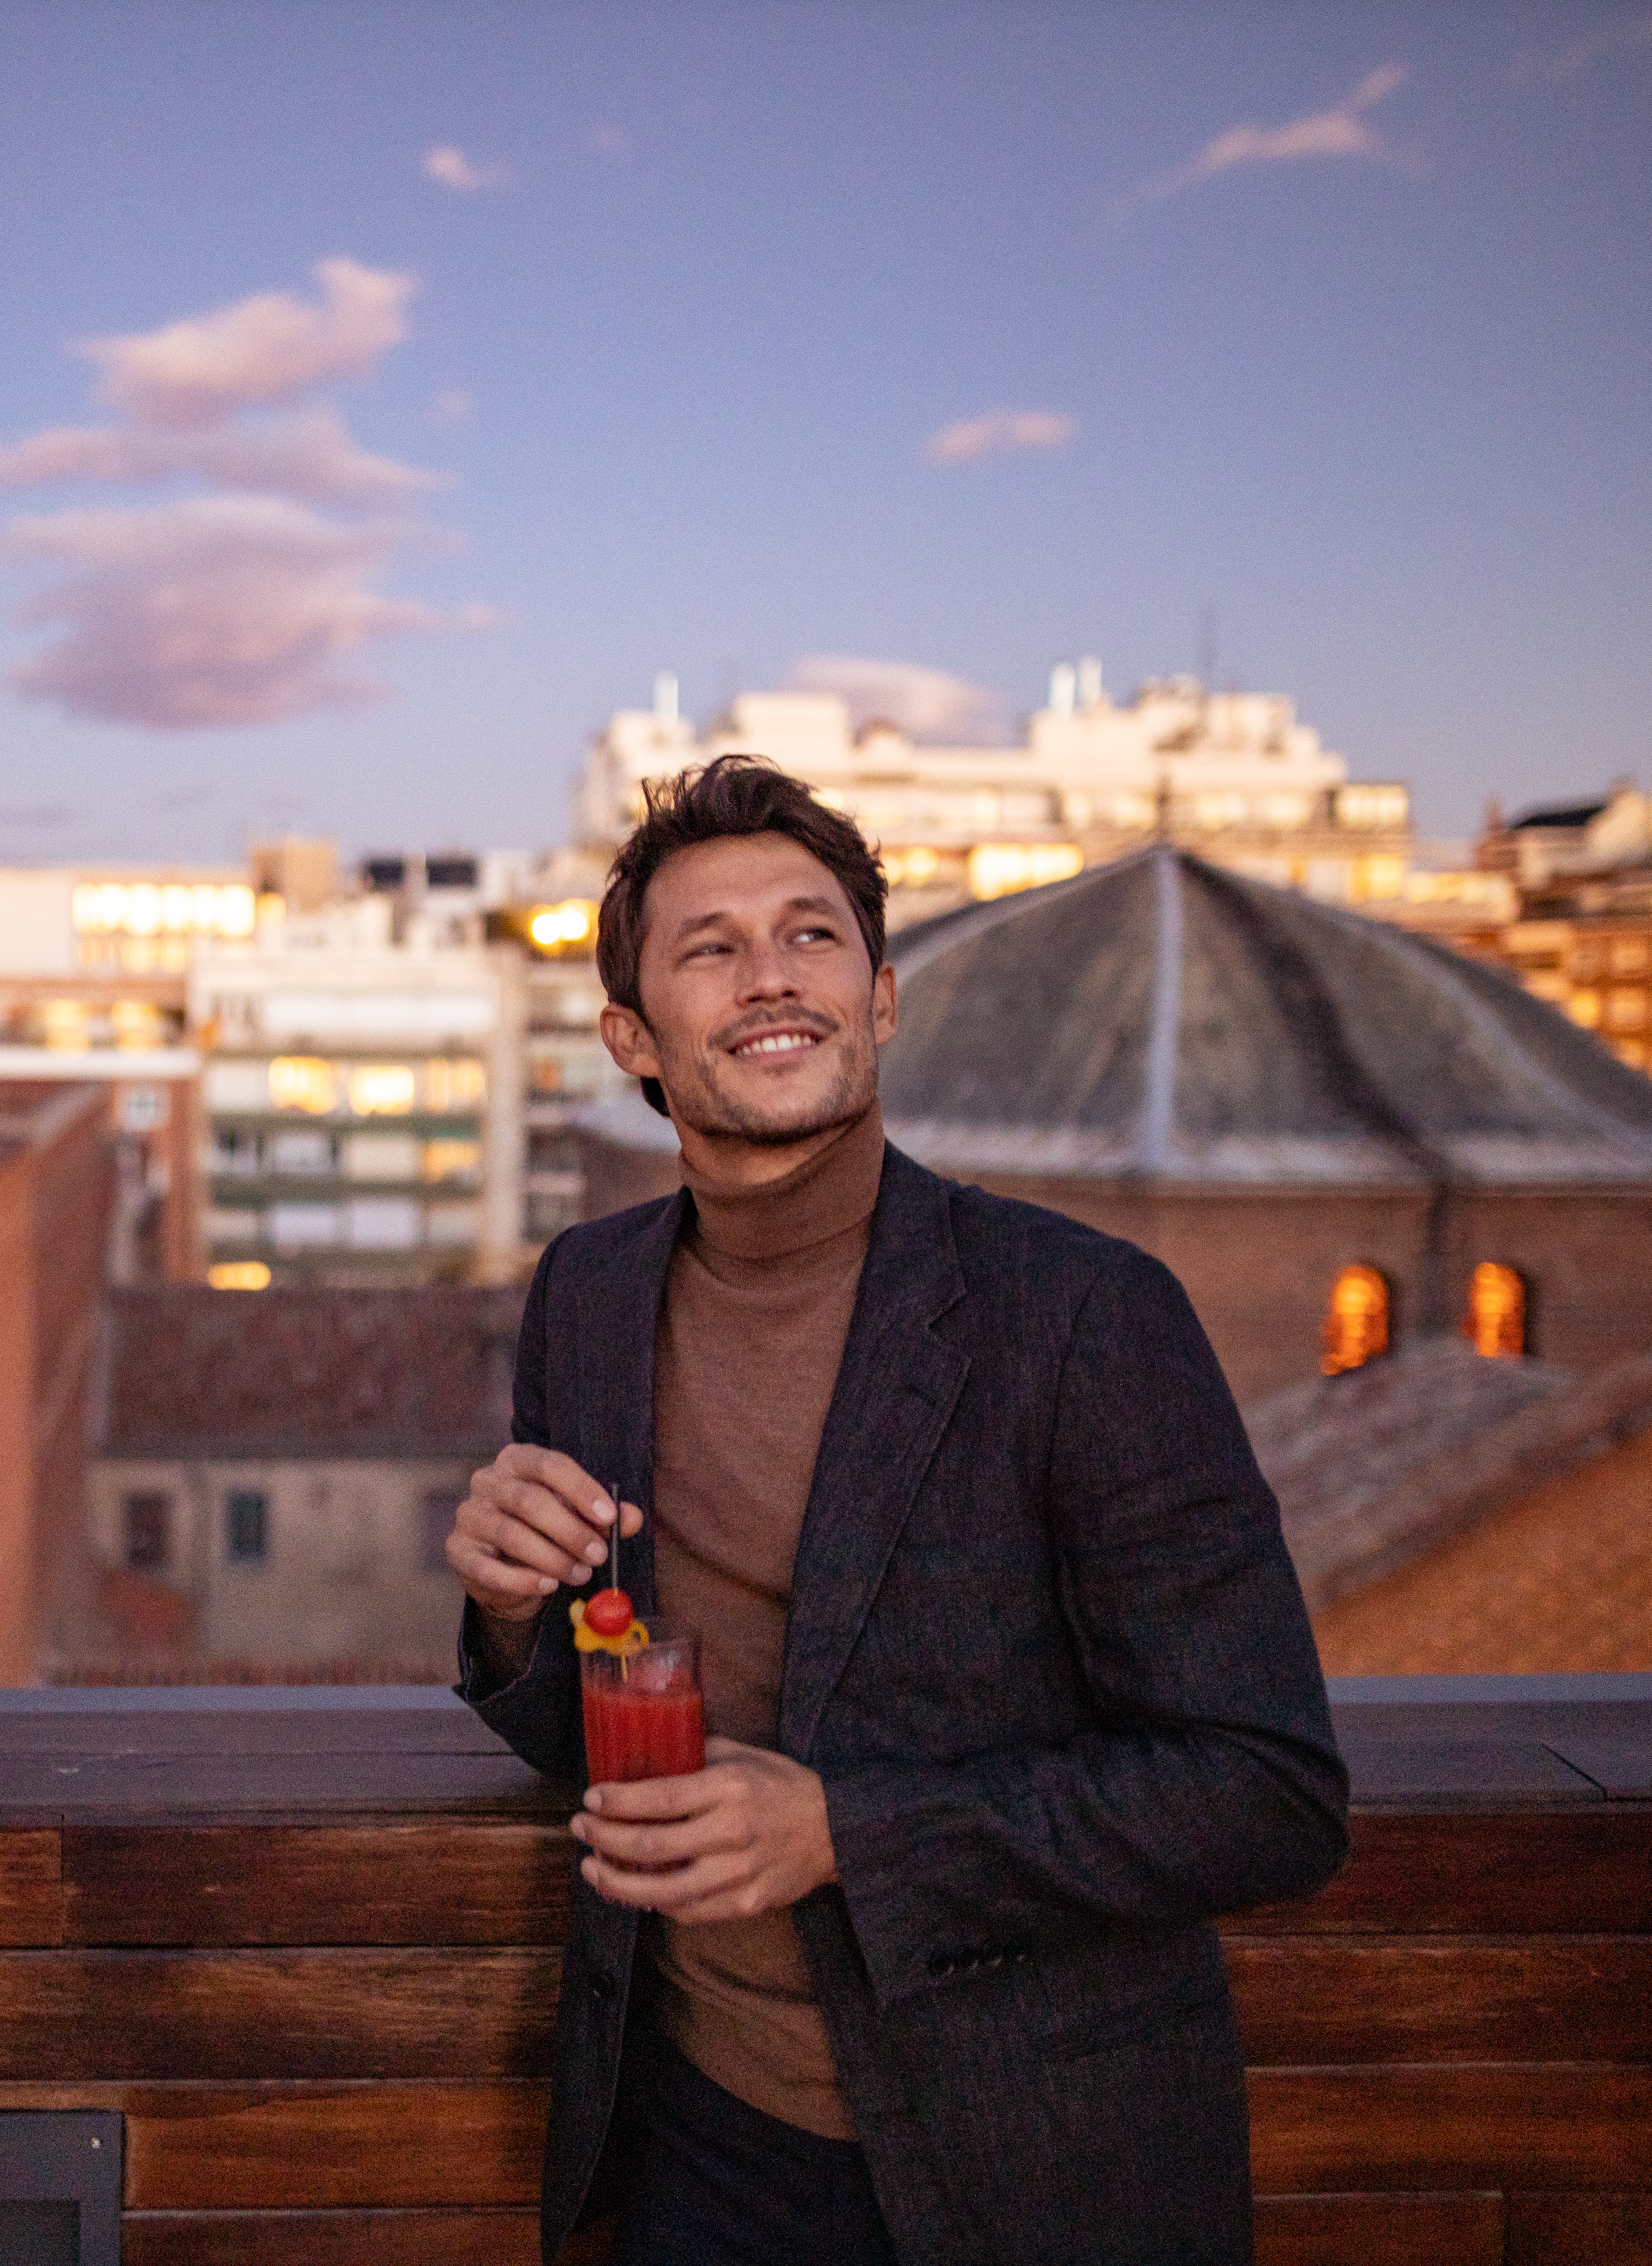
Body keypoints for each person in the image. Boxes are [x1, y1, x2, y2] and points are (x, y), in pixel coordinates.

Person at [446, 759, 1348, 2266]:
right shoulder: (589, 1298)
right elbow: (596, 1722)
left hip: (1028, 2166)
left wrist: (845, 1833)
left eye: (813, 936)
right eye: (709, 949)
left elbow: (1268, 1791)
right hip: (694, 2134)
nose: (771, 978)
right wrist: (510, 1608)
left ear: (879, 997)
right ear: (632, 1040)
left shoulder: (1083, 1316)